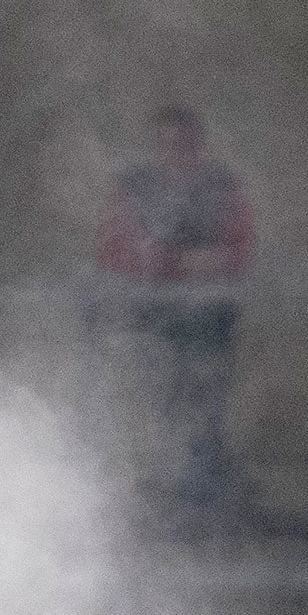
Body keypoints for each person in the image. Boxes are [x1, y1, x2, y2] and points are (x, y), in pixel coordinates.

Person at [96, 104, 253, 532]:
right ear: (155, 147)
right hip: (148, 324)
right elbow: (117, 251)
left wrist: (164, 261)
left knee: (204, 409)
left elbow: (236, 252)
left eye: (183, 144)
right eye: (166, 144)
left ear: (198, 145)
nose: (175, 152)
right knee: (153, 408)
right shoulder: (134, 188)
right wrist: (183, 263)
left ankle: (198, 503)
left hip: (209, 325)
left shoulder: (221, 188)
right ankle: (150, 504)